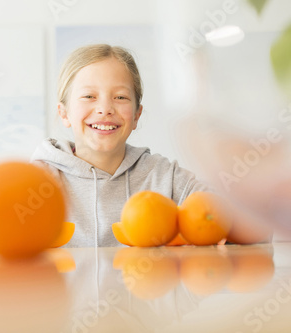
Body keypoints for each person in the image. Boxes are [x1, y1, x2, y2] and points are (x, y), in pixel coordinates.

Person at [31, 44, 209, 248]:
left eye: (120, 97)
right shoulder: (38, 179)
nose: (105, 109)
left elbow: (226, 211)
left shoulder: (164, 177)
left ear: (136, 116)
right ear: (64, 113)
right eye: (89, 96)